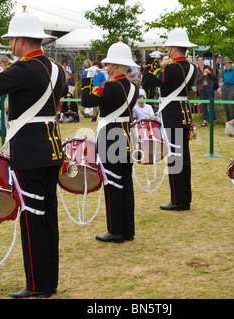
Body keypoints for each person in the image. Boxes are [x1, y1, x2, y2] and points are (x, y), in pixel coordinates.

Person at [0, 6, 67, 298]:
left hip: (31, 153)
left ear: (22, 41)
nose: (10, 45)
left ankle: (37, 285)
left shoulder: (24, 67)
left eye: (12, 40)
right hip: (52, 148)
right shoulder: (56, 68)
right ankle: (49, 281)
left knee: (32, 218)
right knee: (48, 217)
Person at [81, 38, 139, 243]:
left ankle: (115, 231)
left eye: (107, 65)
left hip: (110, 135)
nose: (105, 67)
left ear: (114, 66)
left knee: (112, 183)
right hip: (126, 134)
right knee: (126, 183)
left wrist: (87, 79)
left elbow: (86, 101)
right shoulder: (134, 88)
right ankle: (128, 230)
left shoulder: (107, 87)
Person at [142, 26, 197, 211]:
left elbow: (147, 81)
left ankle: (178, 200)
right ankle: (185, 198)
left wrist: (151, 61)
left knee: (175, 158)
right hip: (183, 113)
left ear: (174, 48)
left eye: (169, 48)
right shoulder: (191, 67)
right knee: (184, 159)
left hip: (172, 114)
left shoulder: (173, 68)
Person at [221, 57, 234, 122]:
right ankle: (228, 121)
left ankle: (233, 120)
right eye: (225, 64)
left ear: (230, 64)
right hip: (225, 87)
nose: (226, 66)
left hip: (232, 86)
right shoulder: (224, 71)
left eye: (227, 64)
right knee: (226, 105)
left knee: (231, 105)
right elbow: (223, 79)